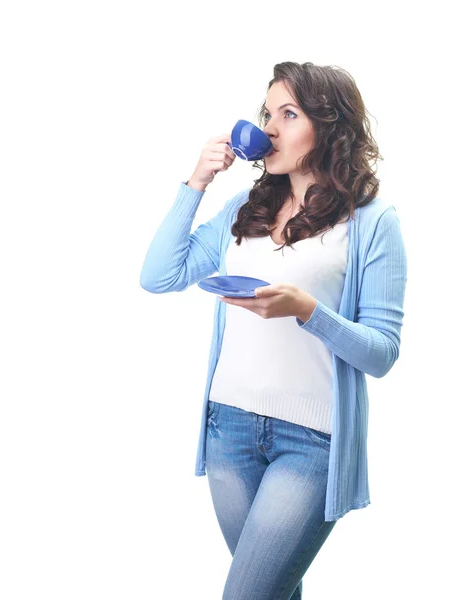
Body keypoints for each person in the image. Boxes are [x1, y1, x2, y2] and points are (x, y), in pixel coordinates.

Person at [140, 61, 408, 600]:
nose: (269, 129)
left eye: (288, 113)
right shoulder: (247, 208)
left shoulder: (373, 221)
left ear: (329, 126)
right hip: (229, 430)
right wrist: (197, 182)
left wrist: (309, 311)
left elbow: (382, 353)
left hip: (311, 442)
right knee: (273, 592)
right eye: (266, 113)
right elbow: (159, 275)